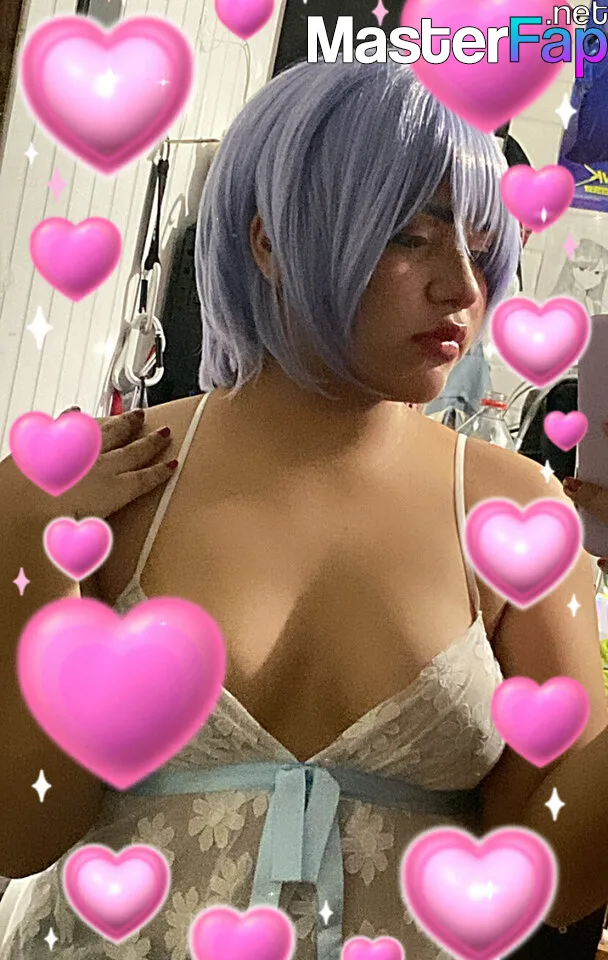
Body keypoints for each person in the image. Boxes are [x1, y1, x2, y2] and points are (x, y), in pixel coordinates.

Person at [1, 57, 608, 960]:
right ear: (268, 243)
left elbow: (559, 875)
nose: (462, 287)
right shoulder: (102, 482)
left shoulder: (514, 510)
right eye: (411, 236)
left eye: (482, 248)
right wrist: (24, 545)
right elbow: (21, 833)